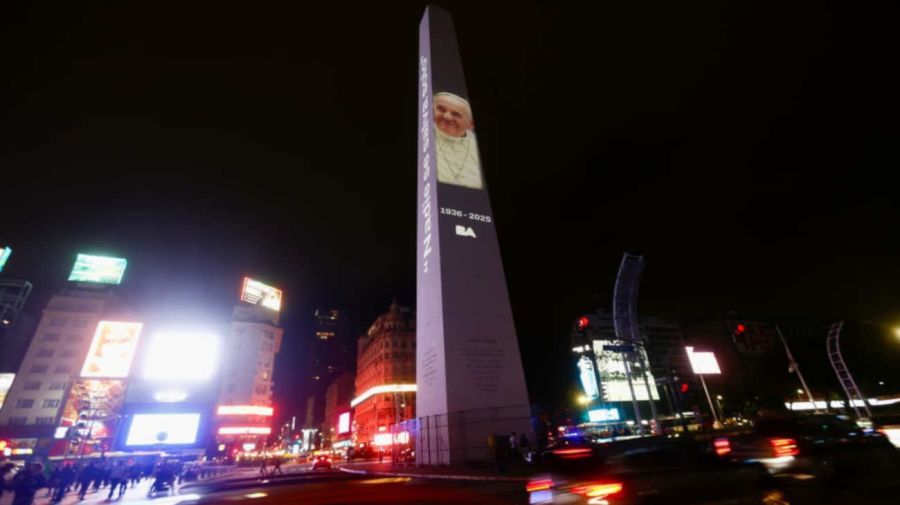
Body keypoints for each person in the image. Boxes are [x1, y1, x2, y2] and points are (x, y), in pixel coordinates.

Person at [433, 92, 483, 190]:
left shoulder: (476, 146)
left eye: (456, 114)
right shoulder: (424, 136)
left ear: (471, 124)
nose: (446, 116)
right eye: (441, 109)